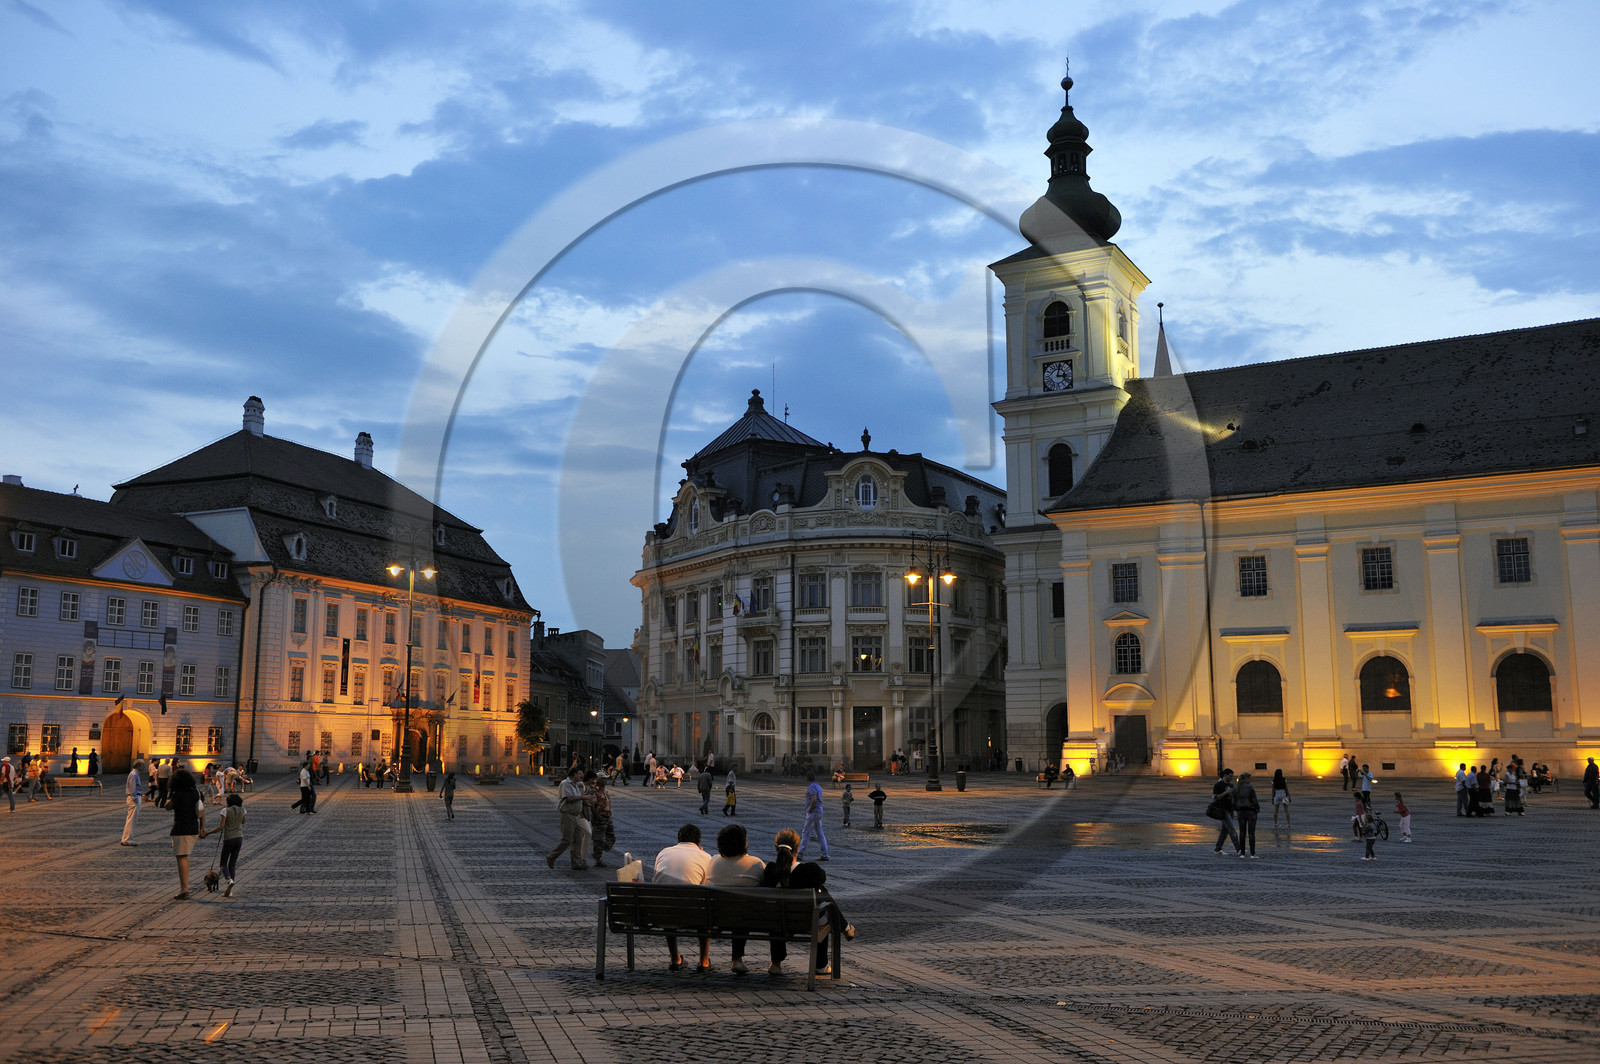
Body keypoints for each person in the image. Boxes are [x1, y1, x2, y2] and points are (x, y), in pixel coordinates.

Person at [653, 823, 713, 971]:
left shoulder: (663, 852)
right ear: (699, 842)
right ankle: (704, 961)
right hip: (694, 914)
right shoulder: (705, 856)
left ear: (678, 839)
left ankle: (675, 959)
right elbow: (707, 887)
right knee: (704, 907)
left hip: (663, 913)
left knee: (668, 902)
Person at [708, 823, 765, 974]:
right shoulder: (755, 863)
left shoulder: (713, 861)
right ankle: (773, 963)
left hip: (716, 917)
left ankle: (734, 959)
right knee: (742, 909)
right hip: (749, 919)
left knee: (737, 908)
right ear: (744, 843)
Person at [168, 769, 205, 899]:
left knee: (182, 857)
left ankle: (184, 888)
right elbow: (202, 811)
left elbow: (167, 806)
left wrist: (171, 795)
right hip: (193, 828)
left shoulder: (177, 794)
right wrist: (202, 829)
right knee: (184, 856)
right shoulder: (197, 793)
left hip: (180, 829)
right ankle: (184, 887)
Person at [201, 792, 246, 896]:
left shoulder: (225, 810)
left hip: (229, 838)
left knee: (223, 864)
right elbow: (243, 821)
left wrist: (208, 833)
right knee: (232, 864)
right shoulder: (242, 809)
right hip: (239, 838)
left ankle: (229, 880)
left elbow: (221, 827)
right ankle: (229, 890)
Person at [546, 766, 590, 870]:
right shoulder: (565, 784)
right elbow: (570, 798)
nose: (581, 775)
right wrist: (583, 797)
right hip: (568, 815)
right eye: (580, 773)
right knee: (567, 839)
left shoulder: (576, 785)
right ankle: (551, 856)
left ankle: (576, 863)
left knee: (577, 840)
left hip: (576, 815)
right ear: (574, 774)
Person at [1209, 768, 1240, 855]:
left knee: (1224, 831)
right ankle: (1238, 848)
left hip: (1230, 809)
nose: (1231, 778)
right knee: (1231, 829)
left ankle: (1218, 848)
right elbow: (1216, 797)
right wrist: (1226, 792)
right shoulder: (1218, 785)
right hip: (1222, 810)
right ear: (1225, 775)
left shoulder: (1231, 785)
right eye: (1230, 776)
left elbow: (1235, 797)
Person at [800, 774, 830, 861]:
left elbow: (814, 799)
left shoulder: (812, 787)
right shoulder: (818, 786)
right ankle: (825, 854)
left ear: (807, 779)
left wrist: (810, 809)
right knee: (820, 833)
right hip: (819, 811)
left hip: (813, 812)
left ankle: (800, 853)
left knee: (806, 832)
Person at [588, 774, 615, 867]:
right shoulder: (594, 791)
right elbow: (592, 806)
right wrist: (597, 815)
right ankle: (597, 858)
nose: (606, 781)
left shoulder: (605, 791)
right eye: (604, 779)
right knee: (598, 838)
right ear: (599, 780)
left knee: (611, 837)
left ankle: (599, 849)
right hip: (599, 818)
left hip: (607, 817)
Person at [1233, 772, 1260, 859]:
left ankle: (1242, 853)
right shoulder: (1250, 787)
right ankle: (1252, 854)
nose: (1251, 780)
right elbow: (1254, 799)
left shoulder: (1237, 787)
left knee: (1242, 833)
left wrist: (1237, 808)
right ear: (1246, 778)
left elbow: (1234, 801)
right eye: (1250, 778)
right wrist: (1257, 808)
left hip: (1241, 811)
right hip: (1250, 811)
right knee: (1251, 833)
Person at [120, 759, 145, 844]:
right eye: (143, 765)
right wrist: (135, 798)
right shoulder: (134, 774)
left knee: (131, 819)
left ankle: (126, 838)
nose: (144, 767)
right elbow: (133, 788)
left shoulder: (134, 774)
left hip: (134, 797)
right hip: (134, 798)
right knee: (132, 820)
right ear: (138, 766)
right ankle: (127, 839)